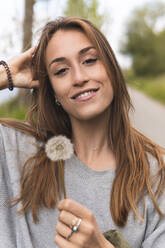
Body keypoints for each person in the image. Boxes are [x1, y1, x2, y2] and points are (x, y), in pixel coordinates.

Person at [0, 16, 165, 248]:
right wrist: (6, 74)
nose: (79, 78)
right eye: (61, 71)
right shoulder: (14, 152)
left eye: (89, 60)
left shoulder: (157, 176)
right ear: (52, 92)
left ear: (111, 68)